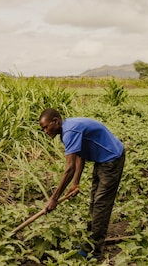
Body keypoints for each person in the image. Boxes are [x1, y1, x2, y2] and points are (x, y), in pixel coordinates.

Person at [38, 108, 125, 260]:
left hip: (112, 159)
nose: (45, 131)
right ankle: (90, 241)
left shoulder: (70, 131)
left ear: (56, 121)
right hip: (102, 159)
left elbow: (69, 168)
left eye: (46, 127)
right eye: (42, 129)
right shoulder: (68, 129)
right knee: (94, 200)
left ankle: (94, 251)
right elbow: (80, 156)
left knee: (101, 204)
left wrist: (54, 198)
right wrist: (75, 183)